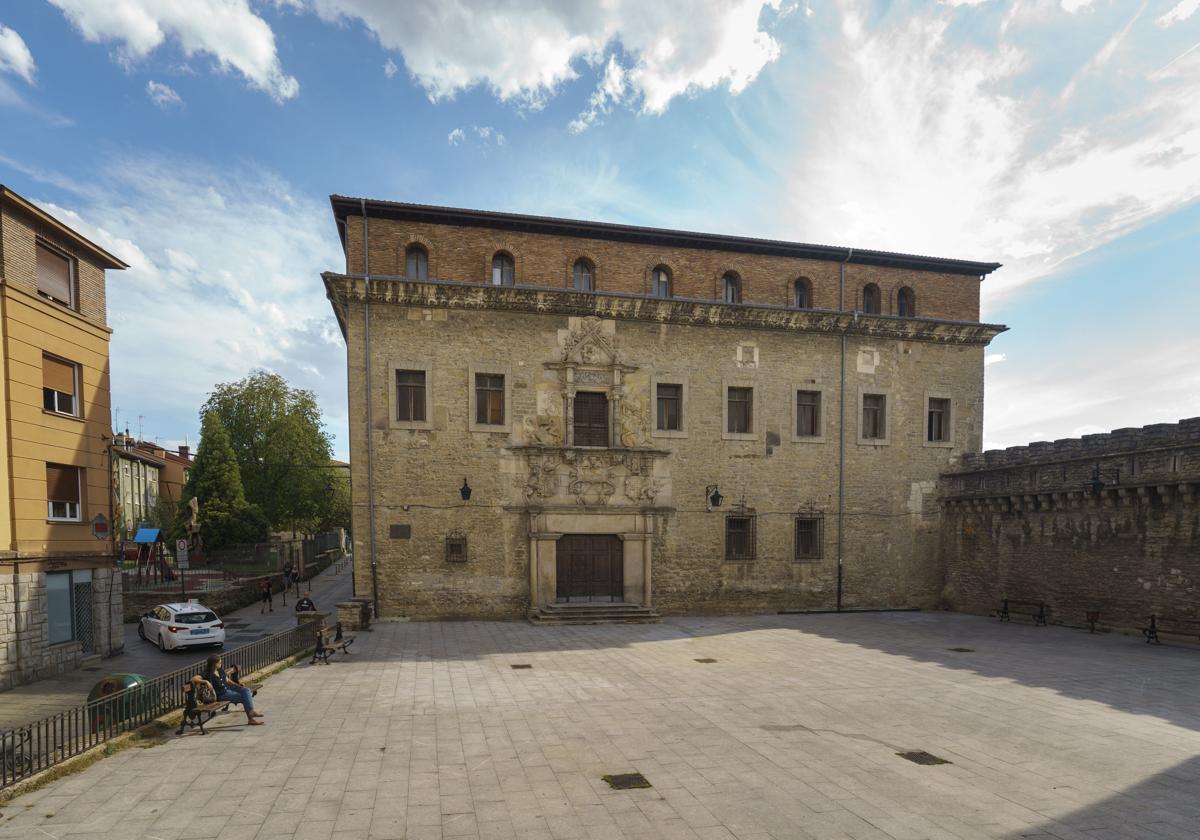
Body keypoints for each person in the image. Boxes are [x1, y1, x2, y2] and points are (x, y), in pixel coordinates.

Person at [201, 654, 263, 726]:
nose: (221, 663)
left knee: (246, 690)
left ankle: (251, 712)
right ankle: (251, 718)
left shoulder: (220, 670)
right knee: (245, 697)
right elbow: (194, 678)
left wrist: (237, 685)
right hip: (221, 695)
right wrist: (206, 682)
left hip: (229, 690)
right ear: (215, 664)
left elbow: (227, 680)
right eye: (220, 662)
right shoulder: (207, 673)